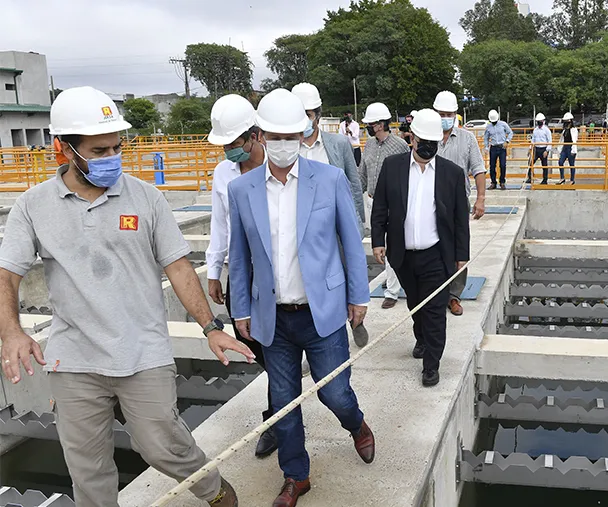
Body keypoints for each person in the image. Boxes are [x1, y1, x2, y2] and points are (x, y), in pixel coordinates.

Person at [0, 87, 251, 507]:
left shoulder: (146, 198)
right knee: (88, 472)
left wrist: (210, 327)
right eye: (99, 150)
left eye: (117, 147)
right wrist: (12, 332)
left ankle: (215, 490)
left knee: (161, 446)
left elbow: (178, 266)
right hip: (74, 359)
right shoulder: (33, 206)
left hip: (143, 352)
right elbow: (7, 274)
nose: (112, 157)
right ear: (63, 149)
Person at [227, 89, 374, 507]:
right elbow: (239, 257)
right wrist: (240, 310)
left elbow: (350, 242)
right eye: (275, 136)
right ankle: (296, 476)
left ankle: (357, 424)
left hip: (322, 312)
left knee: (335, 393)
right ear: (260, 136)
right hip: (273, 318)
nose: (284, 144)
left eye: (293, 135)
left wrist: (357, 297)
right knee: (283, 403)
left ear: (304, 132)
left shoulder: (328, 180)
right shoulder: (242, 190)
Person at [370, 109, 470, 387]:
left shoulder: (452, 174)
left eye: (433, 143)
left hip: (436, 255)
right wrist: (379, 240)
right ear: (411, 138)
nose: (427, 147)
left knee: (435, 310)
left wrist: (462, 256)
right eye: (422, 140)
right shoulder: (393, 166)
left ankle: (431, 365)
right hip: (403, 255)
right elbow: (380, 207)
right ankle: (422, 339)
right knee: (416, 305)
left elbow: (461, 219)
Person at [206, 94, 279, 458]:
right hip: (239, 270)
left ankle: (276, 418)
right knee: (251, 342)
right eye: (223, 146)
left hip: (275, 269)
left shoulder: (278, 164)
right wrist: (214, 270)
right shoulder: (223, 173)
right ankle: (284, 389)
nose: (227, 152)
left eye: (232, 144)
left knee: (275, 344)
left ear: (254, 135)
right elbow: (219, 225)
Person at [433, 90, 486, 317]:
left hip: (457, 203)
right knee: (432, 249)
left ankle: (454, 295)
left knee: (459, 248)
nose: (445, 117)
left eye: (449, 114)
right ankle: (436, 293)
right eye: (441, 114)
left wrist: (481, 198)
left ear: (456, 114)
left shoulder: (467, 139)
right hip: (429, 201)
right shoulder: (427, 136)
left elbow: (478, 169)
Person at [292, 84, 365, 236]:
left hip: (333, 228)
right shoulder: (288, 149)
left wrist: (357, 225)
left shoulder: (339, 144)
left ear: (318, 115)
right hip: (298, 227)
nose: (303, 120)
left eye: (308, 114)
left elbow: (353, 185)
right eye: (299, 114)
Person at [358, 102, 410, 309]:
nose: (368, 128)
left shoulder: (399, 145)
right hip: (372, 201)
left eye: (370, 124)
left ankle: (392, 291)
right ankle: (394, 284)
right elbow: (363, 172)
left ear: (380, 124)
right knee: (382, 245)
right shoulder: (369, 145)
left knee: (392, 244)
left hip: (392, 203)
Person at [483, 109, 513, 190]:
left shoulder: (503, 124)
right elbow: (486, 137)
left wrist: (507, 141)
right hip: (493, 147)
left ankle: (502, 182)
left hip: (502, 147)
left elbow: (510, 132)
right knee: (492, 166)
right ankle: (493, 182)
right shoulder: (488, 127)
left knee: (502, 165)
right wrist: (486, 147)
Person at [530, 113, 552, 184]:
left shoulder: (546, 130)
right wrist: (530, 148)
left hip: (543, 149)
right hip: (536, 149)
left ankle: (545, 180)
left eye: (540, 121)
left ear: (543, 121)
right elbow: (533, 139)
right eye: (538, 121)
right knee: (530, 163)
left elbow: (550, 141)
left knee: (544, 165)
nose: (539, 122)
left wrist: (547, 150)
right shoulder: (535, 130)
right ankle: (530, 177)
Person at [557, 112, 578, 184]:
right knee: (560, 162)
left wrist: (573, 150)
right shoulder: (564, 130)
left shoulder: (574, 130)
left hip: (571, 147)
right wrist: (559, 149)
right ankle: (562, 178)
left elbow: (574, 140)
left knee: (571, 164)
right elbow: (561, 140)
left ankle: (572, 180)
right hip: (565, 147)